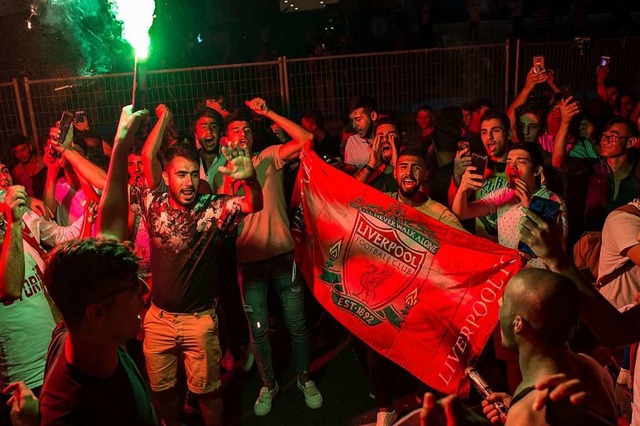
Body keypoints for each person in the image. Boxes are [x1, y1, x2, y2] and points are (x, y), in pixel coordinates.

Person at [98, 105, 263, 426]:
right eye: (180, 174)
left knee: (208, 394)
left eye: (192, 174)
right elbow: (130, 171)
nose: (188, 182)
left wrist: (252, 179)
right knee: (163, 392)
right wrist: (158, 124)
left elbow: (253, 203)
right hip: (158, 319)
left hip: (199, 321)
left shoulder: (211, 208)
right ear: (165, 176)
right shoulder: (152, 202)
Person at [222, 98, 323, 416]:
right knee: (258, 329)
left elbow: (307, 140)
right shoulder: (222, 173)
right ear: (227, 139)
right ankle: (269, 385)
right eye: (235, 130)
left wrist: (267, 113)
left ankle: (305, 378)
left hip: (282, 257)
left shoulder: (268, 157)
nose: (241, 135)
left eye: (247, 130)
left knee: (296, 324)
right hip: (249, 263)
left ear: (254, 136)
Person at [369, 146, 465, 426]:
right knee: (375, 348)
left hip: (424, 305)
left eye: (415, 167)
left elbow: (468, 251)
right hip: (385, 300)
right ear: (395, 171)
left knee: (427, 369)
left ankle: (427, 410)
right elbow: (347, 195)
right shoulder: (381, 202)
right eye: (402, 166)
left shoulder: (441, 214)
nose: (408, 173)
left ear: (425, 174)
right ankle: (385, 410)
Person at [38, 238, 158, 426]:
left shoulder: (78, 334)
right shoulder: (70, 414)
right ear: (98, 312)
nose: (145, 291)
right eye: (133, 287)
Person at [453, 142, 567, 269]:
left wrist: (528, 205)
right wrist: (463, 188)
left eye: (521, 161)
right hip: (510, 276)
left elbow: (559, 252)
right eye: (508, 162)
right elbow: (461, 213)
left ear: (537, 170)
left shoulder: (553, 201)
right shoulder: (504, 194)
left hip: (539, 280)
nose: (512, 167)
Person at [353, 118, 400, 193]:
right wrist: (371, 165)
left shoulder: (409, 166)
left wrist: (396, 165)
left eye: (391, 136)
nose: (385, 140)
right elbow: (351, 190)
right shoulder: (370, 168)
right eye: (380, 137)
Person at [344, 95, 379, 170]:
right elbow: (350, 175)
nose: (354, 125)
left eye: (358, 119)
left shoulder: (386, 138)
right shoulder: (353, 142)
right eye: (352, 121)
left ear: (373, 116)